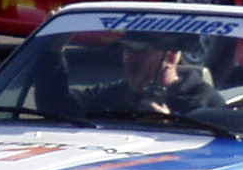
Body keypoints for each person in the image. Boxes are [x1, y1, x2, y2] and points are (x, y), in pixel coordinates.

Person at [72, 34, 223, 118]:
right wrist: (52, 50)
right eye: (126, 51)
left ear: (170, 57)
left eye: (138, 52)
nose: (128, 60)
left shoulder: (203, 102)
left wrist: (172, 125)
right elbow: (63, 100)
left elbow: (217, 156)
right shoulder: (119, 93)